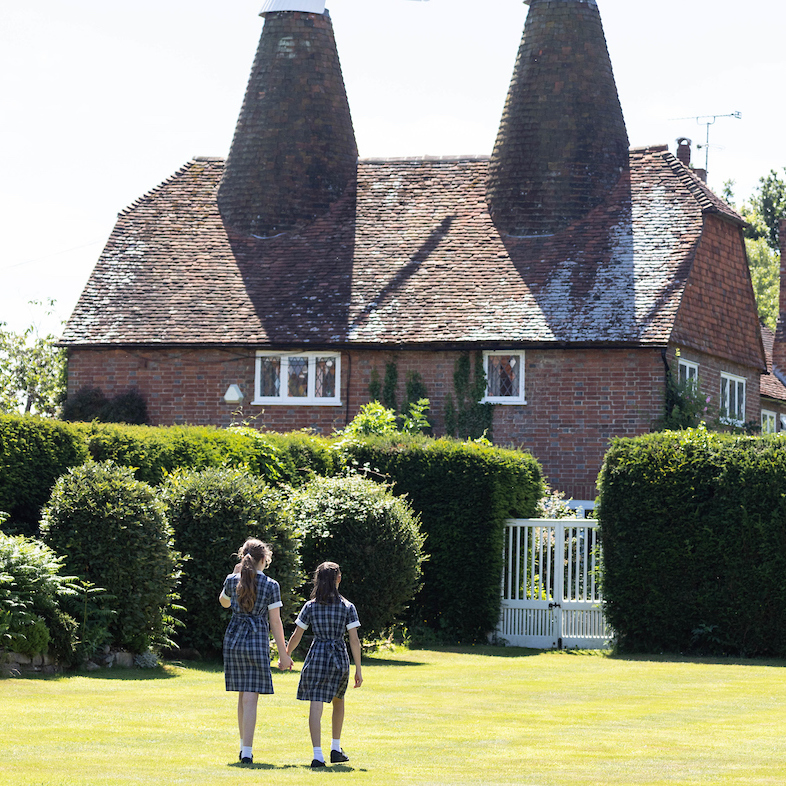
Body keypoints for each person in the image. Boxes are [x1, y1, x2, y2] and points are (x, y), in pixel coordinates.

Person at [219, 538, 293, 765]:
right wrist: (283, 654)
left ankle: (244, 746)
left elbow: (223, 602)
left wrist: (234, 574)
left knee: (243, 694)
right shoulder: (271, 585)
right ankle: (247, 751)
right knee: (251, 696)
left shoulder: (232, 580)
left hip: (233, 640)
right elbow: (275, 622)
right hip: (256, 640)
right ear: (263, 560)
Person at [286, 561, 363, 768]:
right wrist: (358, 669)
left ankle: (317, 755)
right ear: (338, 579)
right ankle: (336, 749)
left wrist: (286, 654)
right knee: (339, 700)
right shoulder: (347, 607)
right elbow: (354, 640)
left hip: (317, 655)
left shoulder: (310, 606)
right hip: (339, 656)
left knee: (316, 701)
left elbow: (297, 635)